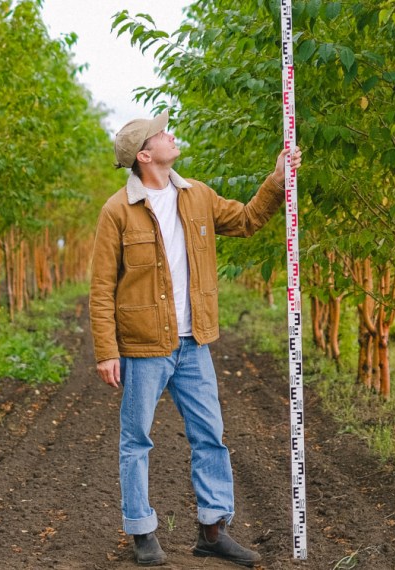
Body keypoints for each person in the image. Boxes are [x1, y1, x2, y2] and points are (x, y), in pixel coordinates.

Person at [89, 110, 302, 567]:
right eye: (161, 133)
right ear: (145, 155)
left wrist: (276, 179)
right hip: (144, 346)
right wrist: (107, 350)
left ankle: (212, 530)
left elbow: (246, 221)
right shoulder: (117, 211)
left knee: (211, 436)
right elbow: (102, 287)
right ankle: (142, 530)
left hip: (193, 343)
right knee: (136, 440)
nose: (171, 134)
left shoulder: (197, 196)